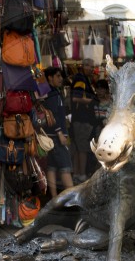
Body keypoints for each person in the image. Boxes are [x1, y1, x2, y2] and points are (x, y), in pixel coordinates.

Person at [42, 67, 74, 197]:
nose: (61, 79)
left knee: (52, 167)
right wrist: (60, 133)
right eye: (58, 76)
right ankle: (71, 199)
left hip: (50, 136)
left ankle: (54, 198)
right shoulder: (53, 94)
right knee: (65, 167)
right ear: (50, 78)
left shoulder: (48, 92)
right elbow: (54, 114)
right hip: (56, 136)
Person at [70, 58, 98, 183]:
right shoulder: (81, 78)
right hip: (82, 119)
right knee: (82, 148)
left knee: (78, 148)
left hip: (79, 119)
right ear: (84, 66)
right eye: (90, 67)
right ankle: (81, 175)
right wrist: (93, 101)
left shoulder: (83, 78)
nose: (92, 69)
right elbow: (76, 98)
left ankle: (76, 174)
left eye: (92, 67)